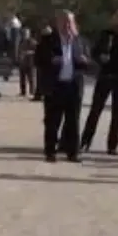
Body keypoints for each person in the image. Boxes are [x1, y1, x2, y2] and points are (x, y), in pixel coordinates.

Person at [80, 8, 118, 155]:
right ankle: (85, 142)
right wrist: (101, 57)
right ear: (112, 19)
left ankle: (112, 145)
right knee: (96, 110)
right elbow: (94, 52)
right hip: (106, 74)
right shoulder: (105, 35)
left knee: (117, 112)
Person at [36, 10, 90, 162]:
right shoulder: (48, 40)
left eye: (70, 22)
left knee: (73, 121)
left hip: (73, 86)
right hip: (55, 86)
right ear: (58, 23)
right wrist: (51, 60)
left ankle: (73, 153)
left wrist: (85, 61)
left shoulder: (80, 41)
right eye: (64, 21)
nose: (67, 25)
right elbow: (38, 60)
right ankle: (50, 152)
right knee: (52, 121)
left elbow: (88, 63)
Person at [32, 24, 53, 102]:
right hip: (46, 65)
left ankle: (40, 95)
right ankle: (41, 95)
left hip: (44, 65)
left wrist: (36, 63)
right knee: (42, 81)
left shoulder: (42, 44)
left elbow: (37, 54)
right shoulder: (49, 43)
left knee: (40, 81)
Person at [16, 27, 37, 97]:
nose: (24, 35)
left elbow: (36, 51)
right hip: (22, 63)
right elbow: (19, 51)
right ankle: (23, 92)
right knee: (22, 79)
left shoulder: (32, 42)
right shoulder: (21, 41)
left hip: (30, 63)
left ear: (29, 34)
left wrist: (27, 52)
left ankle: (32, 91)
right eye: (23, 33)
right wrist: (18, 58)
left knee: (31, 78)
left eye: (26, 33)